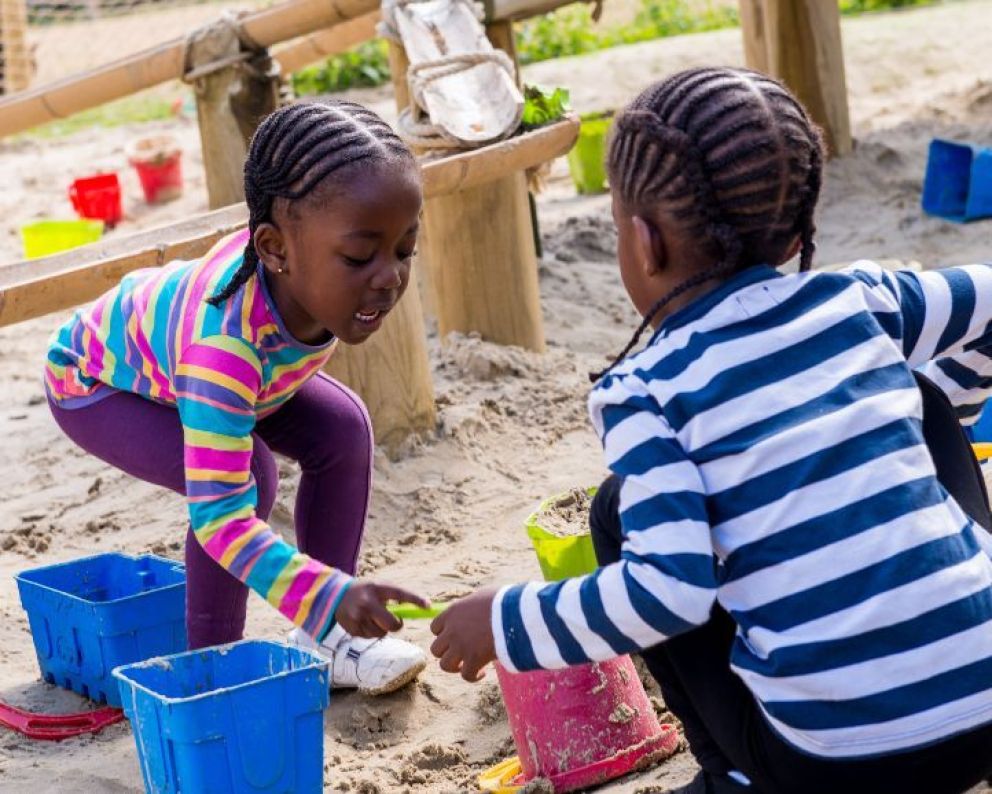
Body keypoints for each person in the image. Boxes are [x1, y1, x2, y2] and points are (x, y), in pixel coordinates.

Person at [429, 67, 992, 792]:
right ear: (796, 224)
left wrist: (505, 622)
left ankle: (727, 776)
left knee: (618, 515)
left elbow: (668, 595)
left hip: (837, 764)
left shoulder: (647, 392)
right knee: (915, 390)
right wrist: (941, 419)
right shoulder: (861, 300)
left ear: (643, 241)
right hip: (983, 709)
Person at [45, 100, 430, 696]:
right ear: (274, 249)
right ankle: (212, 672)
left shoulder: (302, 271)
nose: (389, 276)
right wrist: (327, 591)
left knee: (343, 432)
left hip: (212, 373)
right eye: (359, 257)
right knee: (248, 474)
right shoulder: (223, 348)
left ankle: (329, 642)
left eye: (404, 249)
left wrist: (328, 600)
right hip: (97, 383)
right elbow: (220, 518)